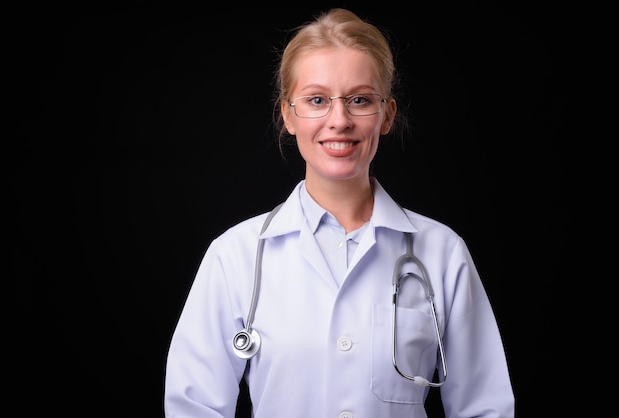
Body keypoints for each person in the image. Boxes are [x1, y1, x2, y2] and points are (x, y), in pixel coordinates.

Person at [164, 8, 514, 418]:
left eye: (360, 100)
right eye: (317, 100)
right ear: (288, 115)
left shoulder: (442, 252)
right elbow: (193, 407)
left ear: (387, 115)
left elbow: (485, 408)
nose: (339, 120)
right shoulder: (235, 256)